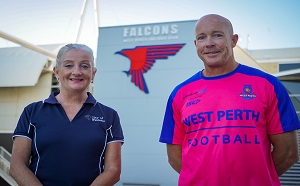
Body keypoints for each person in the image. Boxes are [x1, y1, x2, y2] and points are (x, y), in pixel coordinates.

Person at [159, 14, 300, 186]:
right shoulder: (180, 94)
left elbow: (288, 153)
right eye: (201, 38)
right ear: (196, 45)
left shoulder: (268, 85)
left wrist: (255, 179)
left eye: (217, 35)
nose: (209, 43)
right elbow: (175, 158)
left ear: (233, 40)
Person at [10, 44, 124, 186]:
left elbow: (113, 170)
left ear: (93, 73)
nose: (77, 72)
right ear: (57, 72)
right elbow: (17, 166)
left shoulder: (109, 115)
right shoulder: (32, 111)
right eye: (69, 65)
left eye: (84, 66)